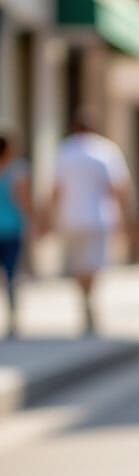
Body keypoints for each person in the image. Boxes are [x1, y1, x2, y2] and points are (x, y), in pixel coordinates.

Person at [49, 110, 134, 334]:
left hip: (71, 217)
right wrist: (127, 220)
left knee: (79, 264)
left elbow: (56, 189)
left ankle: (84, 299)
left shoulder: (64, 150)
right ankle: (89, 299)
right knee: (93, 264)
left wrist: (49, 217)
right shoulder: (106, 151)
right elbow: (119, 189)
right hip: (98, 217)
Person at [0, 126, 35, 337]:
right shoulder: (18, 171)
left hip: (9, 229)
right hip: (12, 230)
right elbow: (24, 201)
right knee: (12, 275)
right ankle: (13, 317)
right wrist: (34, 223)